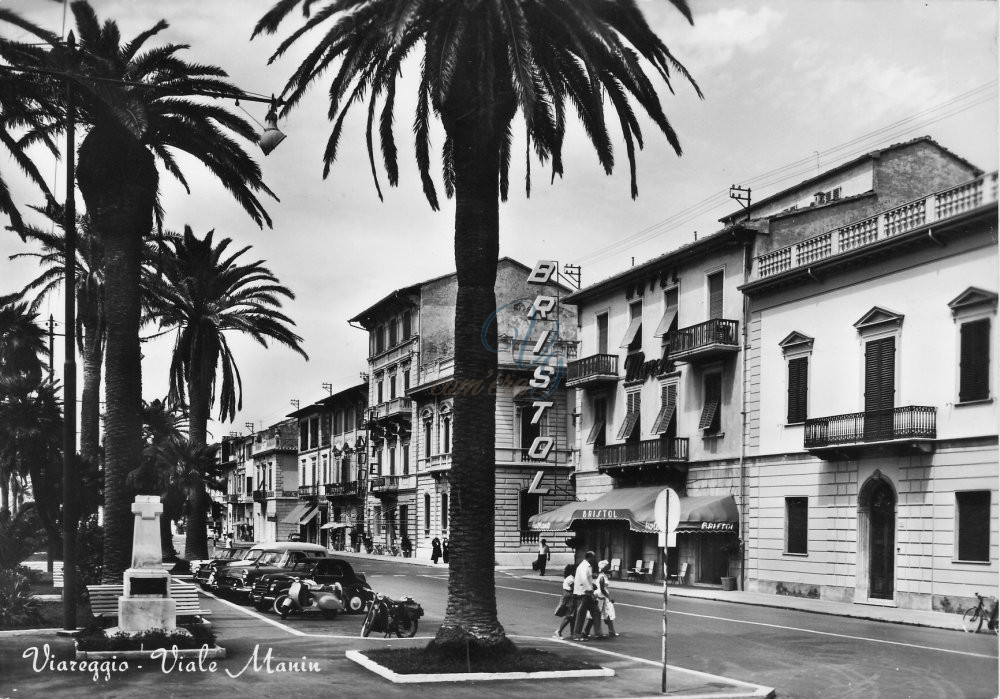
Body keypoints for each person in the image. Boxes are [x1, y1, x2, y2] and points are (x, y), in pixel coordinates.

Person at [572, 551, 603, 641]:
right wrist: (590, 590)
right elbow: (584, 579)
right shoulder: (583, 566)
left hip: (588, 593)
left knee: (596, 611)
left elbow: (587, 579)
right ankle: (577, 634)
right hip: (583, 593)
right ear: (589, 557)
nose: (595, 559)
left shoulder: (588, 566)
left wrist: (591, 587)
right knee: (581, 614)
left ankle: (598, 632)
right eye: (594, 557)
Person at [585, 560, 619, 638]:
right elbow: (602, 589)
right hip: (601, 596)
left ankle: (611, 631)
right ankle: (586, 631)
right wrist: (609, 598)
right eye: (607, 567)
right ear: (603, 568)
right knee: (595, 615)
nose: (609, 569)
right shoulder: (601, 577)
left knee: (608, 613)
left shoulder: (603, 575)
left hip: (603, 596)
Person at [552, 563, 577, 639]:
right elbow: (575, 588)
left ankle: (572, 633)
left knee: (573, 617)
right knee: (569, 616)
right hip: (569, 597)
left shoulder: (573, 578)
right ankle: (558, 631)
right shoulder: (570, 579)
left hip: (572, 597)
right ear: (572, 571)